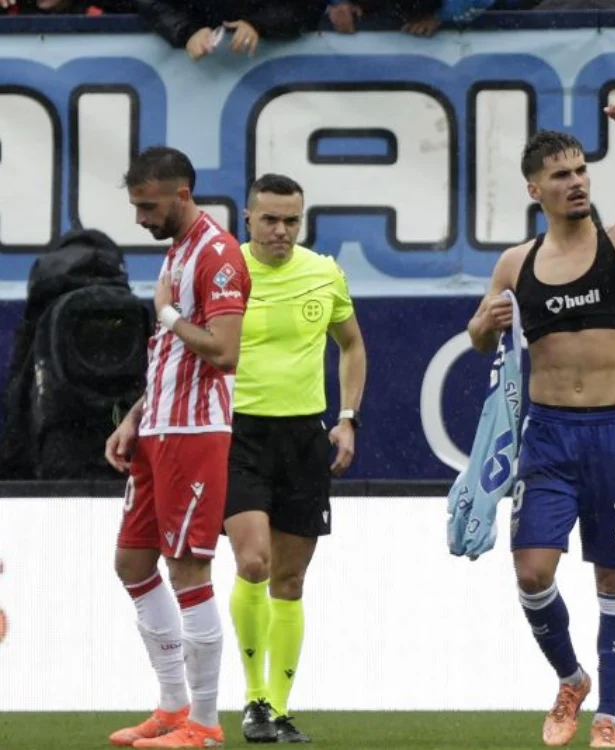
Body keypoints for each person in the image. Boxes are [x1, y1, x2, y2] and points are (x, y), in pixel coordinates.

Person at [467, 98, 615, 748]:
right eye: (561, 175)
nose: (576, 182)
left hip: (614, 434)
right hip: (547, 437)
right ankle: (572, 678)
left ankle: (610, 718)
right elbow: (481, 340)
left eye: (581, 171)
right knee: (531, 574)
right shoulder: (516, 264)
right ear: (535, 189)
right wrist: (481, 325)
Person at [105, 146, 251, 749]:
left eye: (148, 206)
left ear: (182, 193)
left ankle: (206, 722)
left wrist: (165, 314)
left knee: (189, 568)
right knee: (133, 562)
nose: (140, 218)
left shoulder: (217, 254)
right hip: (159, 428)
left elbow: (224, 350)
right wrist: (135, 416)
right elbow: (171, 353)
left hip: (194, 434)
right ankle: (172, 705)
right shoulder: (179, 250)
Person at [222, 174, 367, 744]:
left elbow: (351, 343)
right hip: (239, 433)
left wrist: (348, 417)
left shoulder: (324, 273)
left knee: (290, 578)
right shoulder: (223, 271)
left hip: (304, 437)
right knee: (253, 561)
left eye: (291, 220)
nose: (281, 231)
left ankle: (279, 711)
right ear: (248, 219)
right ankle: (254, 698)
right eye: (270, 220)